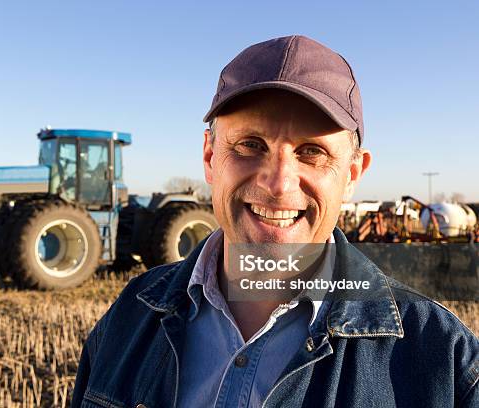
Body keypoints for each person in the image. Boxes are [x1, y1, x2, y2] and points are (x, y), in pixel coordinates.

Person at [71, 35, 478, 408]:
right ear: (210, 157)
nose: (279, 185)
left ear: (353, 174)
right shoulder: (131, 314)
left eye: (312, 152)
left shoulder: (442, 360)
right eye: (250, 144)